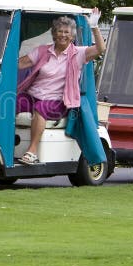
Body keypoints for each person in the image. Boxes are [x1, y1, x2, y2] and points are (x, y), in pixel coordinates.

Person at [16, 9, 105, 165]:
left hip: (58, 101)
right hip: (33, 95)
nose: (63, 35)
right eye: (60, 31)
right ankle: (4, 143)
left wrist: (94, 27)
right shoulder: (43, 51)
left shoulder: (78, 53)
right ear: (54, 34)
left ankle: (32, 151)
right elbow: (20, 63)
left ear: (72, 36)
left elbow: (100, 49)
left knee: (40, 108)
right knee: (9, 102)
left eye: (67, 32)